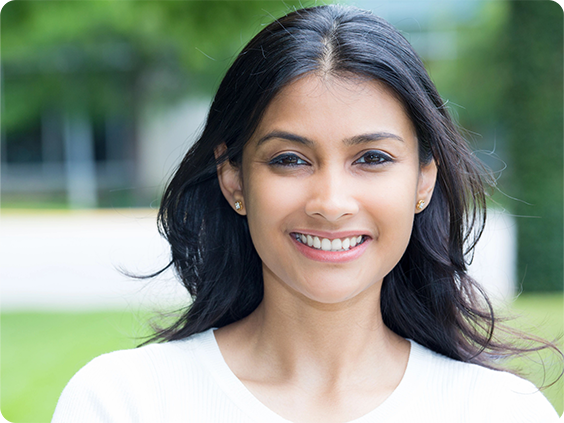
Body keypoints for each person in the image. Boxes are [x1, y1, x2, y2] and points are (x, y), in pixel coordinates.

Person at [52, 5, 560, 422]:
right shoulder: (122, 403)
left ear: (423, 181)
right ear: (234, 181)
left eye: (372, 159)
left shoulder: (499, 411)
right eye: (290, 159)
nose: (332, 203)